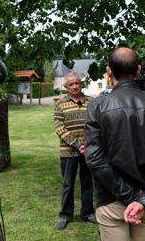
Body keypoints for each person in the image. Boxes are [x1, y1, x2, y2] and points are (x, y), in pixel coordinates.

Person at [85, 47, 145, 241]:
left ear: (109, 71)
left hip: (114, 199)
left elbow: (94, 158)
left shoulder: (97, 105)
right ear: (138, 70)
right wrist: (141, 200)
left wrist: (134, 199)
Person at [54, 72, 97, 230]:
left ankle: (88, 213)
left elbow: (96, 125)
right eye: (71, 84)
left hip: (88, 151)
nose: (74, 86)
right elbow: (59, 128)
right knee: (68, 184)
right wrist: (77, 145)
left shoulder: (91, 102)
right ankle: (65, 215)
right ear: (66, 87)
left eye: (77, 83)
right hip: (68, 152)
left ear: (81, 84)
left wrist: (88, 144)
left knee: (87, 183)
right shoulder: (59, 103)